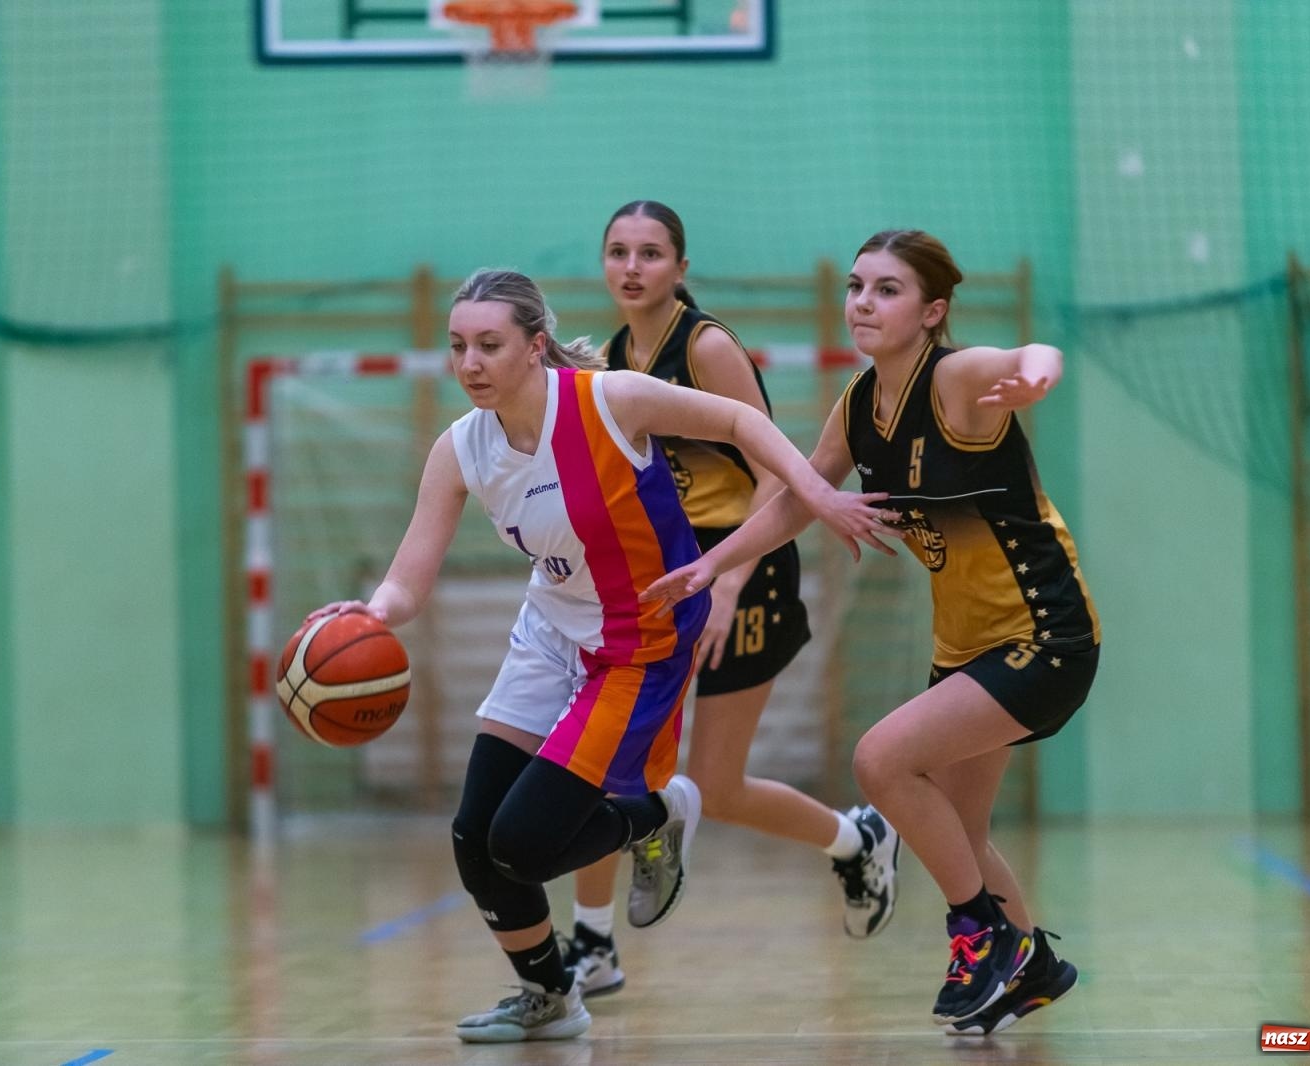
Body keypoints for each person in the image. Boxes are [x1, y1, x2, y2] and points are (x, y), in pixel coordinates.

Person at [307, 269, 889, 1044]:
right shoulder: (463, 448)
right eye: (457, 347)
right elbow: (410, 578)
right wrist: (370, 613)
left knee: (522, 844)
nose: (470, 362)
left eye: (489, 344)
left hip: (641, 643)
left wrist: (817, 499)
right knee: (473, 837)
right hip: (548, 634)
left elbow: (744, 425)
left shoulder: (609, 400)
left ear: (535, 345)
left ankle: (658, 812)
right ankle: (552, 996)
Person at [643, 229, 1097, 1035]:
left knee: (879, 760)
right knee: (960, 832)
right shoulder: (860, 402)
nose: (863, 302)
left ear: (933, 312)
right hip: (966, 645)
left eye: (887, 290)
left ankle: (981, 935)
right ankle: (1030, 963)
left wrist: (1038, 371)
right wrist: (720, 566)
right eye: (857, 287)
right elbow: (795, 497)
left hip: (1044, 632)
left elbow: (1034, 350)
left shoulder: (955, 379)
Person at [561, 201, 900, 998]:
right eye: (618, 252)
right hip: (670, 575)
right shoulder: (611, 356)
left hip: (740, 566)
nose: (633, 267)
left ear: (680, 268)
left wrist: (732, 578)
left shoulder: (706, 346)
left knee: (716, 784)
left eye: (650, 253)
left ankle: (855, 839)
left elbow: (778, 465)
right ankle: (595, 942)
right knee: (603, 760)